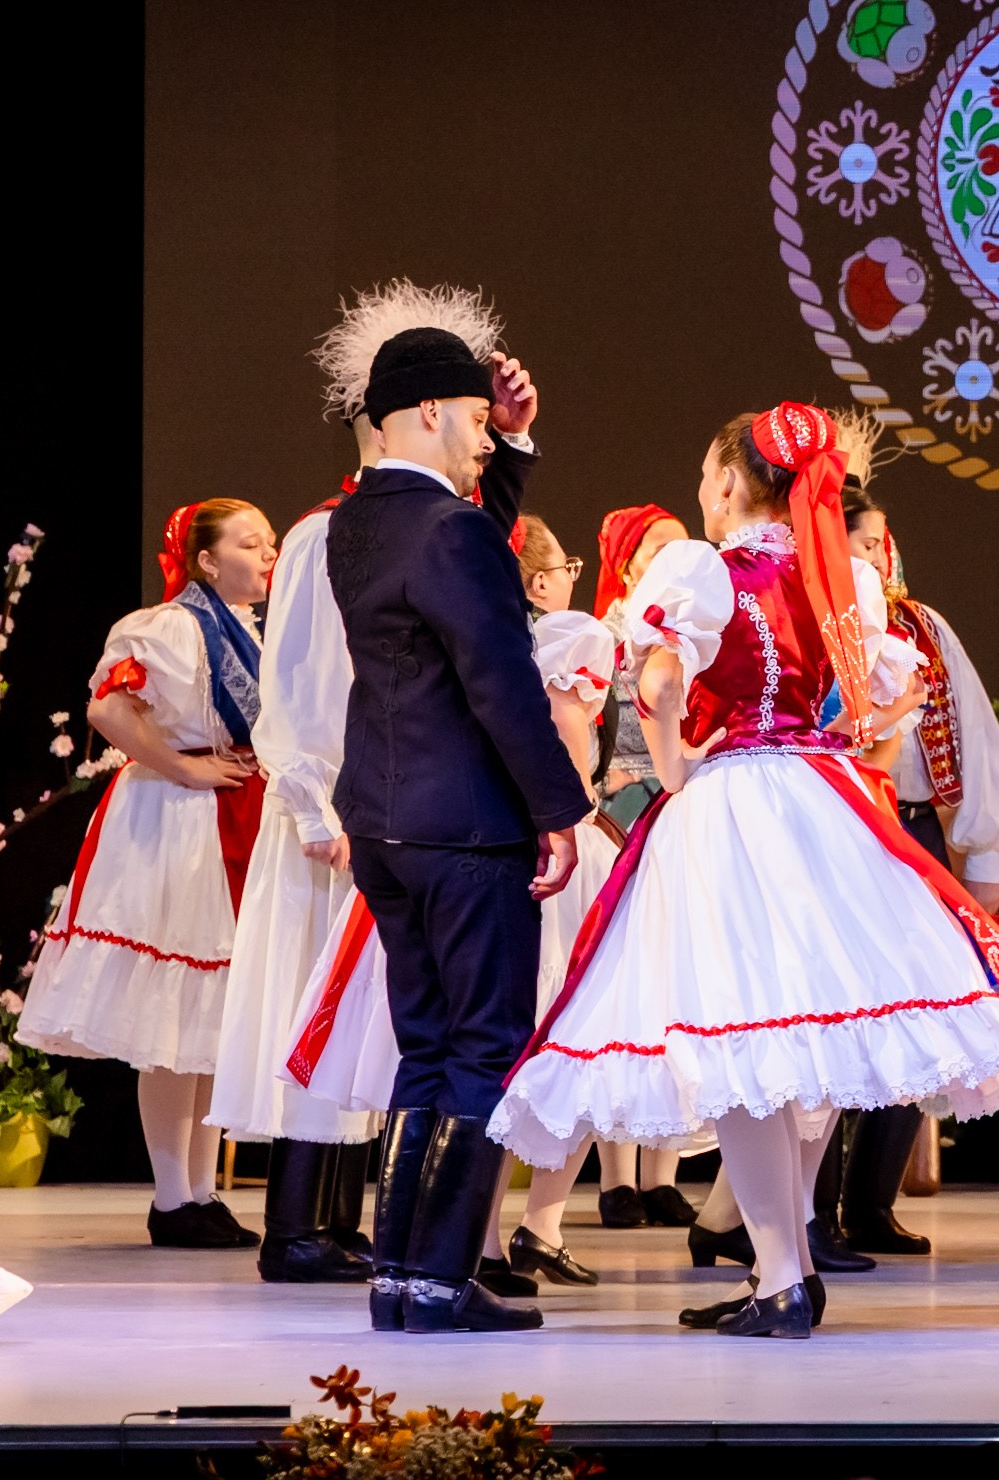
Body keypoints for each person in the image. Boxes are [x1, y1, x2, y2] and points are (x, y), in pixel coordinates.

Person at [489, 403, 999, 1339]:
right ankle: (781, 1264)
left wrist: (677, 764)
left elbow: (663, 689)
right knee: (807, 1035)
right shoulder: (845, 580)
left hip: (738, 801)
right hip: (826, 798)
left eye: (705, 476)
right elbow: (885, 704)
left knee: (745, 1033)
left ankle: (784, 1276)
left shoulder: (703, 570)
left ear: (726, 483)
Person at [215, 283, 499, 1285]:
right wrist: (313, 802)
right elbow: (295, 679)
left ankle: (336, 1219)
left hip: (384, 798)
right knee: (315, 999)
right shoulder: (322, 534)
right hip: (336, 804)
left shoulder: (414, 530)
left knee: (370, 1013)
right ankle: (292, 1224)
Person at [328, 319, 589, 1334]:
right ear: (431, 409)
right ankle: (438, 1281)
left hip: (385, 824)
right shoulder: (449, 532)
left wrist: (512, 446)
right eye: (480, 419)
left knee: (427, 1051)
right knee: (484, 1050)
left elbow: (465, 559)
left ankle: (402, 1277)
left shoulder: (360, 520)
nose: (487, 437)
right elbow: (500, 678)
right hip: (467, 829)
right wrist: (559, 810)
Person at [21, 498, 278, 1249]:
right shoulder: (167, 627)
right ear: (206, 561)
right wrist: (184, 768)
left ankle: (199, 1191)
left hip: (230, 815)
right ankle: (173, 1197)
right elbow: (108, 711)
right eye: (250, 544)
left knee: (207, 1017)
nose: (267, 555)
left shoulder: (248, 631)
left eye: (269, 543)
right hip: (176, 820)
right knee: (173, 1013)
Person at [833, 479, 999, 1257]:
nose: (881, 554)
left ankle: (868, 1204)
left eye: (883, 540)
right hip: (830, 825)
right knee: (831, 1016)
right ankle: (803, 1216)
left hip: (909, 827)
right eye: (864, 540)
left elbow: (971, 734)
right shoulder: (808, 624)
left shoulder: (919, 626)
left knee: (919, 1011)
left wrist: (982, 848)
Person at [496, 514, 624, 1292]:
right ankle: (529, 1223)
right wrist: (575, 812)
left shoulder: (487, 639)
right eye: (567, 568)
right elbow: (569, 726)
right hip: (560, 838)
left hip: (494, 836)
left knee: (515, 1033)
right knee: (573, 1030)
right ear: (542, 581)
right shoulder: (570, 636)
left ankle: (521, 1228)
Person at [584, 502, 698, 1232]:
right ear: (627, 567)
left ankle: (663, 1174)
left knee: (677, 992)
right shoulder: (604, 637)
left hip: (679, 816)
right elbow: (577, 728)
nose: (675, 558)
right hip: (617, 821)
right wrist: (603, 787)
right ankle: (616, 1177)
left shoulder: (698, 637)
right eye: (659, 547)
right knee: (622, 992)